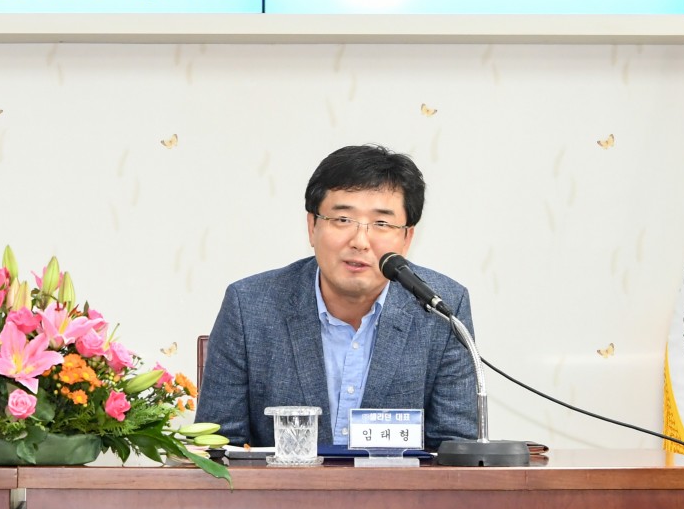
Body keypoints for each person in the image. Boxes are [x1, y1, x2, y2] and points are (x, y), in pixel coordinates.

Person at [196, 144, 476, 449]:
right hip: (282, 483)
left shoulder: (441, 308)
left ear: (406, 237)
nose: (360, 241)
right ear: (312, 226)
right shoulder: (249, 306)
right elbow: (217, 447)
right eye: (342, 219)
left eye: (381, 223)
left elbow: (453, 450)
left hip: (396, 484)